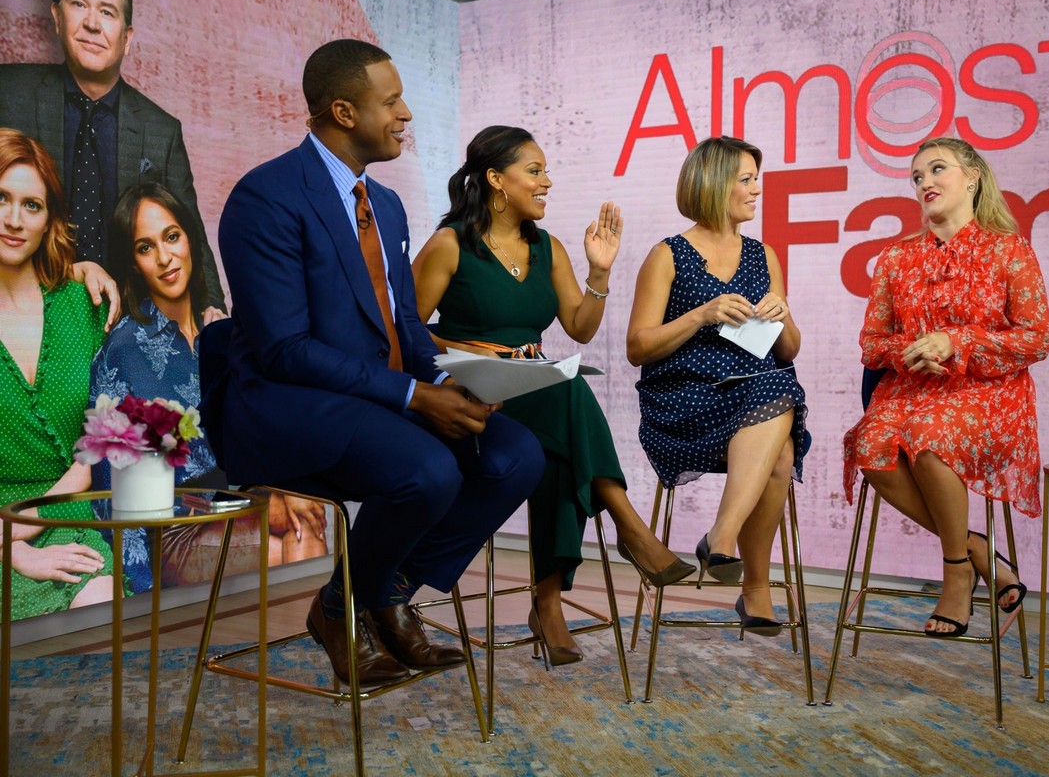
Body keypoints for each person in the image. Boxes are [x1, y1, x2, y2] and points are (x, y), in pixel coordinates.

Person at [211, 40, 544, 685]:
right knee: (425, 470)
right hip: (287, 404)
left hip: (378, 398)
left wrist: (457, 380)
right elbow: (284, 349)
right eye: (390, 101)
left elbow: (407, 327)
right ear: (343, 111)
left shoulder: (385, 206)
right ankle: (348, 609)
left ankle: (374, 594)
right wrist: (417, 399)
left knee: (514, 457)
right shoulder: (266, 198)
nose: (406, 113)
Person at [412, 126, 695, 665]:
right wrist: (469, 348)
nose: (548, 182)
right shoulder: (451, 244)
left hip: (533, 392)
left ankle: (551, 601)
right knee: (564, 395)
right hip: (471, 394)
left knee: (557, 428)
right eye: (535, 171)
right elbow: (403, 329)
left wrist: (599, 271)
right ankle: (621, 534)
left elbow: (581, 327)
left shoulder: (550, 248)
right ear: (497, 179)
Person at [842, 137, 1049, 638]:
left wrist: (956, 342)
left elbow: (1036, 338)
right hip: (911, 390)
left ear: (972, 177)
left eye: (937, 170)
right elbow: (872, 343)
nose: (925, 183)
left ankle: (956, 570)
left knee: (930, 440)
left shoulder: (1009, 249)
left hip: (990, 393)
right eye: (917, 177)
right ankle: (977, 549)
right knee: (869, 443)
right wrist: (908, 352)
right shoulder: (896, 258)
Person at [89, 182, 327, 593]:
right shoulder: (124, 349)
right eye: (145, 248)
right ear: (132, 264)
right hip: (173, 528)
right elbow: (108, 485)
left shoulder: (221, 332)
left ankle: (261, 651)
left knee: (307, 520)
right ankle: (291, 647)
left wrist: (279, 492)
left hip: (232, 502)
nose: (165, 258)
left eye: (171, 237)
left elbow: (259, 431)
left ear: (190, 239)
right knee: (298, 542)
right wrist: (139, 589)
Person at [627, 136, 808, 634]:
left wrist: (783, 316)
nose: (756, 190)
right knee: (779, 420)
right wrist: (702, 315)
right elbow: (637, 347)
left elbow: (788, 349)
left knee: (779, 410)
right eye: (746, 180)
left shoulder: (762, 254)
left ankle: (726, 546)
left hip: (755, 393)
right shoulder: (668, 254)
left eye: (756, 179)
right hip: (685, 398)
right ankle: (748, 579)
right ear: (714, 184)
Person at [0, 0, 226, 321]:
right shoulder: (8, 93)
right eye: (78, 4)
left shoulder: (160, 130)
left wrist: (212, 309)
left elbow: (188, 229)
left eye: (107, 12)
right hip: (20, 311)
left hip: (124, 321)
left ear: (127, 37)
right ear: (57, 16)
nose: (92, 23)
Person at [0, 127, 116, 620]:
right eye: (1, 198)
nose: (13, 219)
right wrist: (17, 552)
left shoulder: (82, 305)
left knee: (98, 609)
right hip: (9, 532)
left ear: (49, 221)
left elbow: (95, 452)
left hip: (70, 513)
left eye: (32, 205)